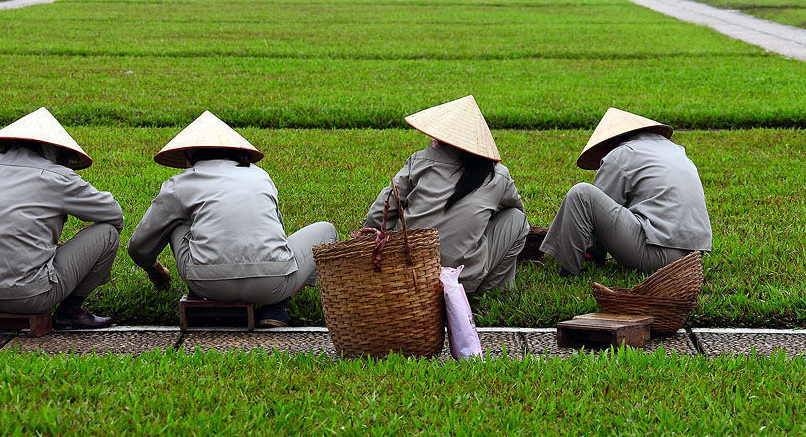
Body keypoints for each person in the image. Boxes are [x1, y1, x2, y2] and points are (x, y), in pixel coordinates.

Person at [128, 110, 337, 326]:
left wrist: (156, 271)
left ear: (190, 152)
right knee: (327, 231)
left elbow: (138, 246)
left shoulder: (179, 184)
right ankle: (277, 307)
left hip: (206, 283)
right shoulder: (261, 176)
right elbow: (280, 234)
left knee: (175, 220)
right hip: (273, 284)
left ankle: (208, 295)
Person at [0, 107, 123, 328]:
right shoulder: (57, 176)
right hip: (30, 297)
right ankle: (71, 310)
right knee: (108, 233)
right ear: (54, 150)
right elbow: (113, 213)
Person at [364, 95, 529, 294]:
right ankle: (492, 290)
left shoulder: (420, 161)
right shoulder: (498, 174)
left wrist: (370, 251)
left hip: (407, 272)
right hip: (462, 281)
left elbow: (380, 212)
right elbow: (516, 209)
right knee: (517, 218)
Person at [539, 107, 712, 277]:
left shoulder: (621, 154)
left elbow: (596, 215)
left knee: (581, 194)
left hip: (658, 255)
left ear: (611, 141)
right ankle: (584, 254)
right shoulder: (675, 150)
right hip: (695, 257)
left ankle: (568, 271)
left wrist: (592, 248)